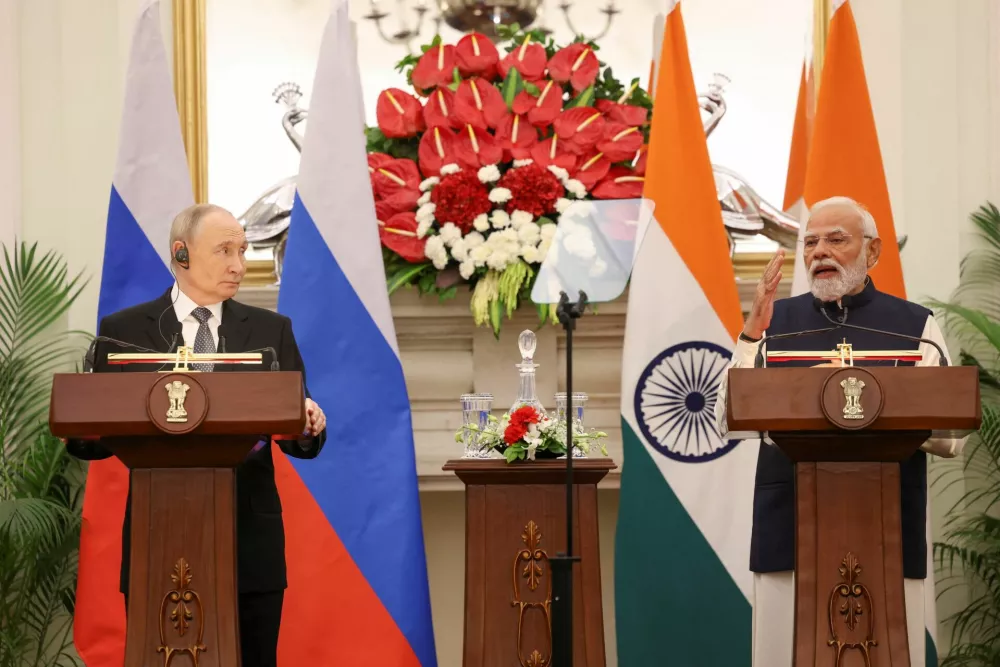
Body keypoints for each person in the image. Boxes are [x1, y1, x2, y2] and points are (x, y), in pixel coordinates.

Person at [66, 203, 327, 667]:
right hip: (158, 536)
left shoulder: (270, 331)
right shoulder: (124, 332)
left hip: (250, 542)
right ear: (181, 255)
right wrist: (81, 424)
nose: (239, 265)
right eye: (224, 250)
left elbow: (300, 439)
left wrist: (308, 424)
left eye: (243, 251)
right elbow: (96, 440)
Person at [714, 196, 966, 667]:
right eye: (810, 242)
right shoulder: (776, 322)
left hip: (887, 522)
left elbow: (950, 432)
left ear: (872, 253)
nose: (819, 252)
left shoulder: (914, 327)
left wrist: (876, 416)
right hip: (789, 520)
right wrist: (751, 331)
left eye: (836, 239)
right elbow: (730, 417)